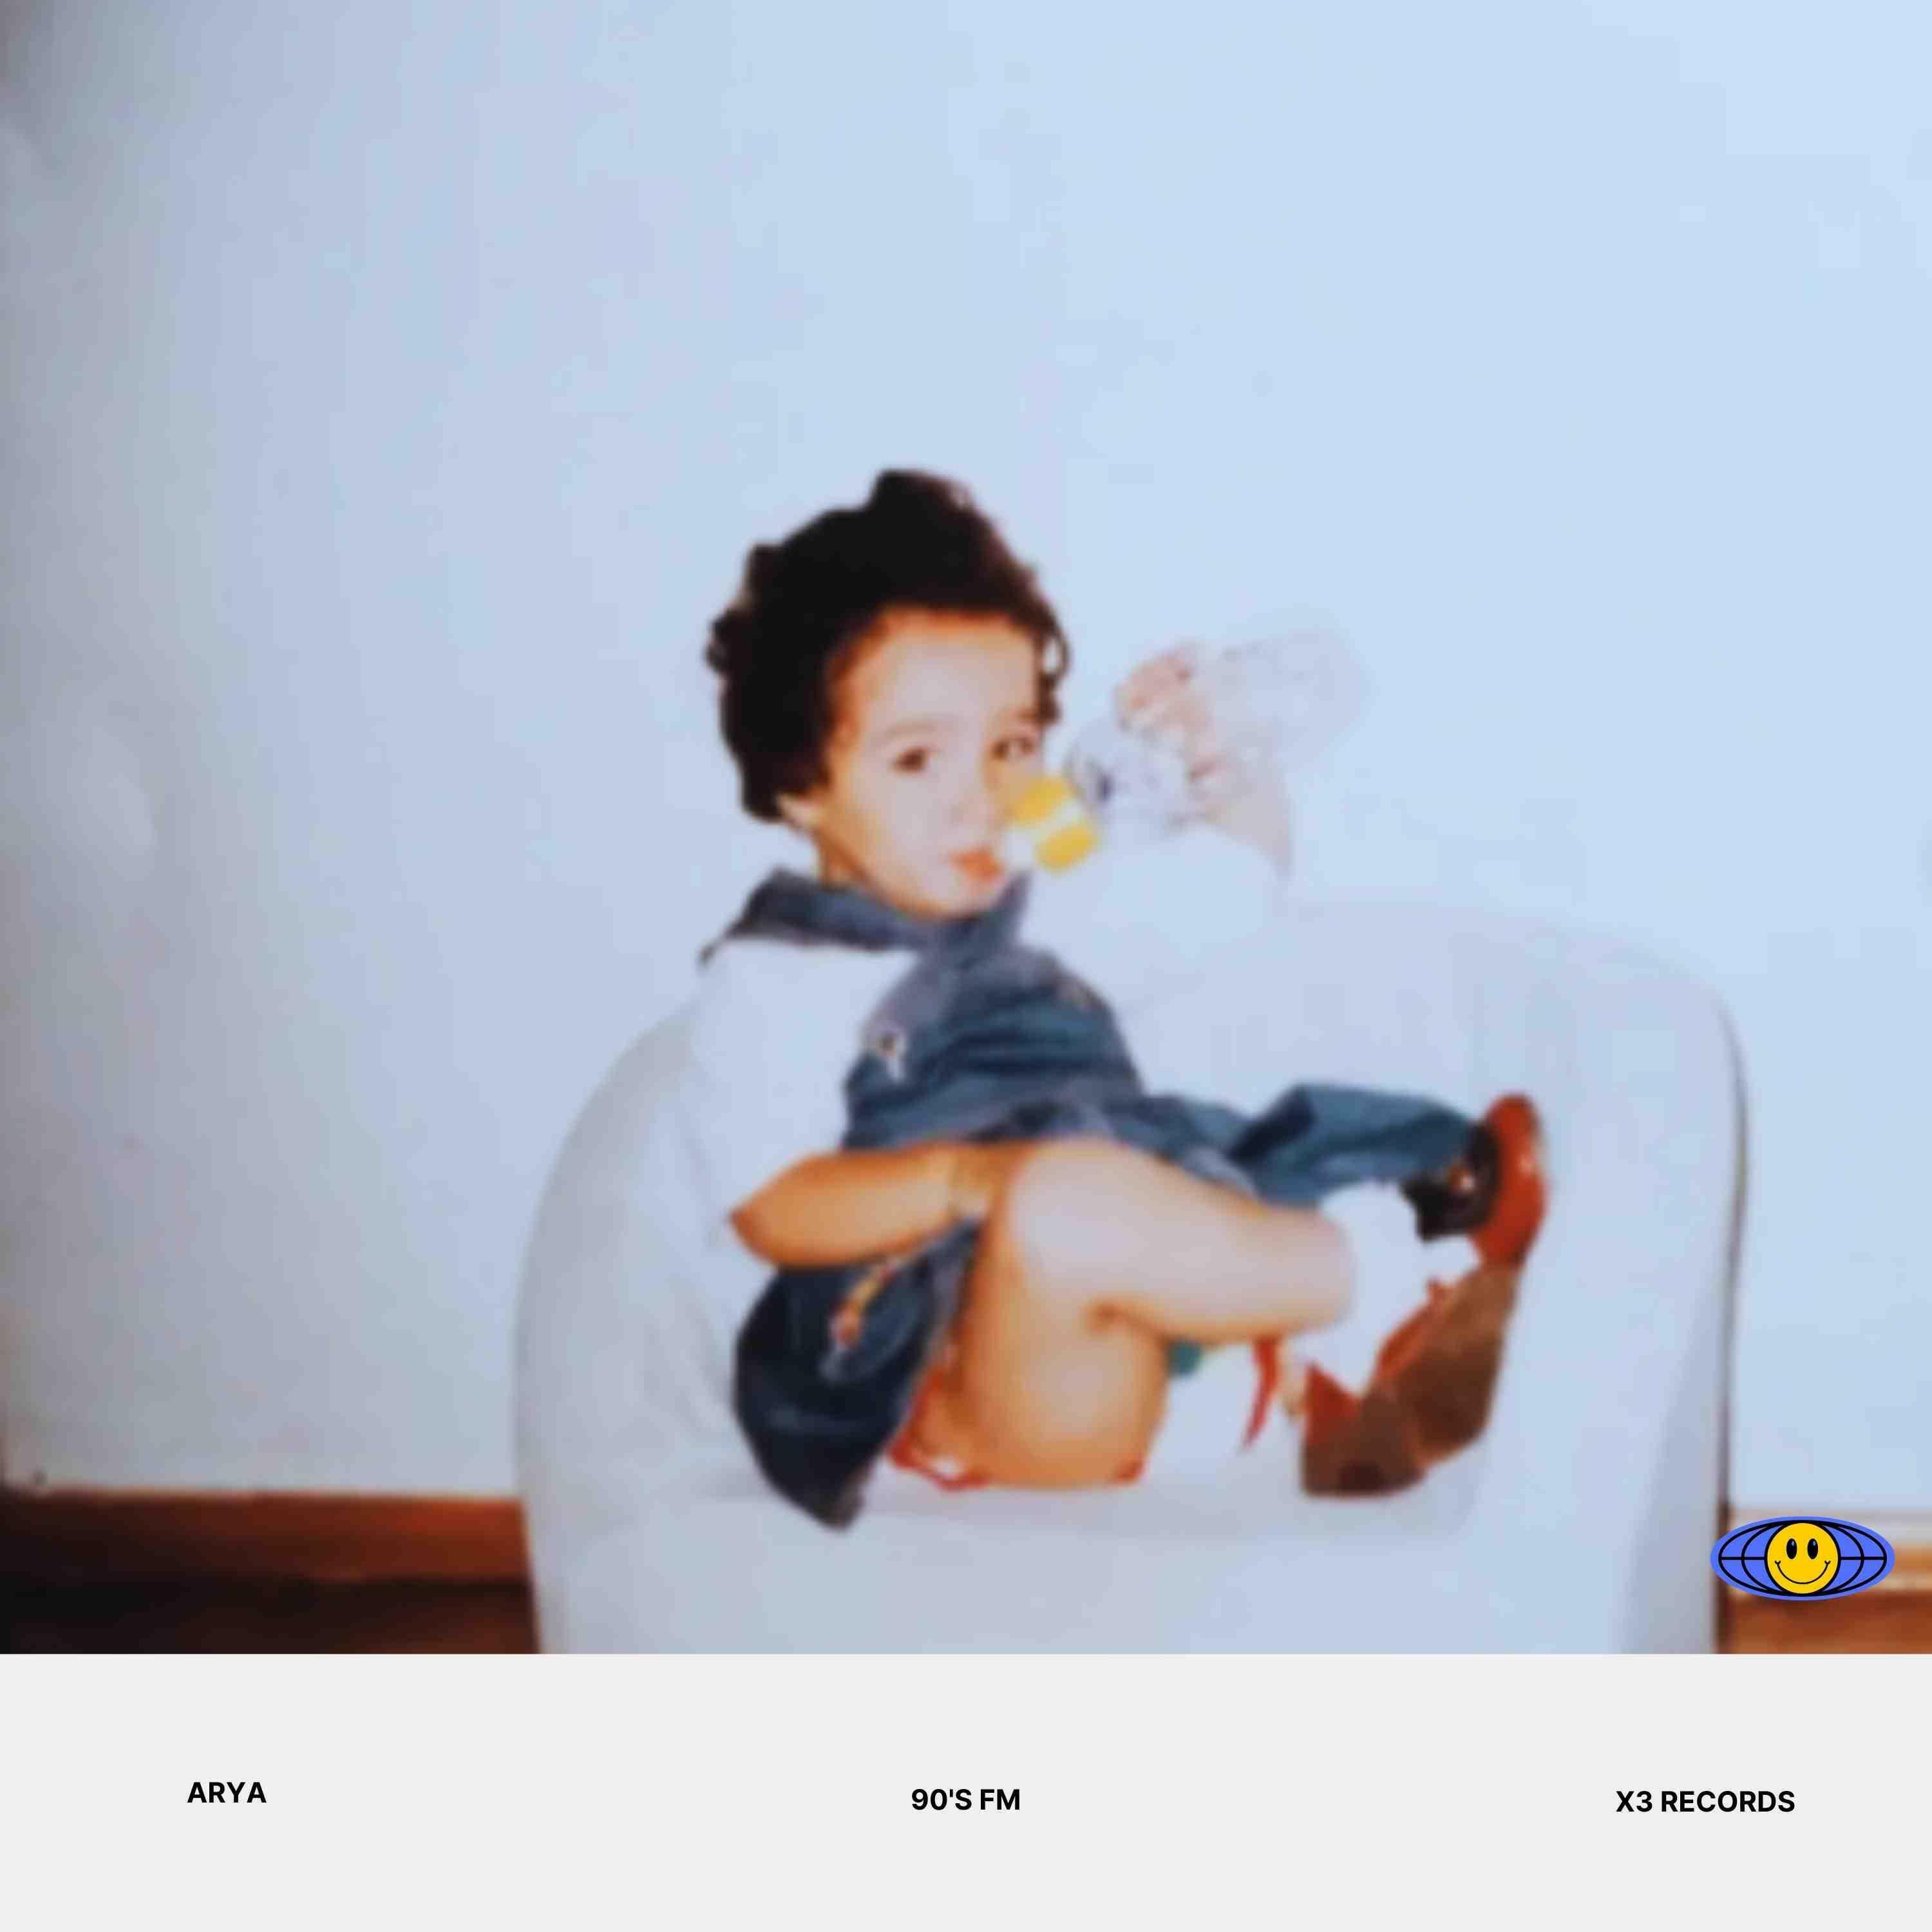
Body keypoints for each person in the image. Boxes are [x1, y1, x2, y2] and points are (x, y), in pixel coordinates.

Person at [688, 469, 1545, 1527]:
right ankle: (1392, 1285)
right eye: (916, 760)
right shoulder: (772, 980)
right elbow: (774, 1208)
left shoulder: (1043, 905)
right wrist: (965, 1180)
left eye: (1012, 748)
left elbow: (1231, 888)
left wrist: (1216, 753)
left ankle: (1328, 1377)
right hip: (991, 1398)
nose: (983, 798)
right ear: (799, 784)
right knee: (1060, 1204)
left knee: (1206, 1162)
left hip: (1155, 1352)